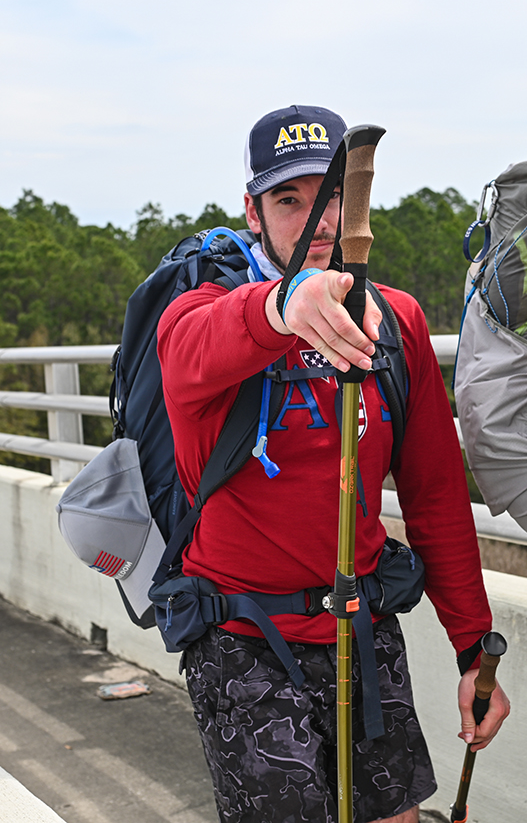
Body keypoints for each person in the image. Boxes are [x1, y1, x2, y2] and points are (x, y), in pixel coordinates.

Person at [157, 104, 509, 823]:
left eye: (334, 195)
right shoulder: (200, 310)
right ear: (251, 210)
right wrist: (286, 304)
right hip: (243, 642)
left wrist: (473, 646)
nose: (318, 218)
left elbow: (435, 496)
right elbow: (195, 349)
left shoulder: (395, 320)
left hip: (363, 628)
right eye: (291, 198)